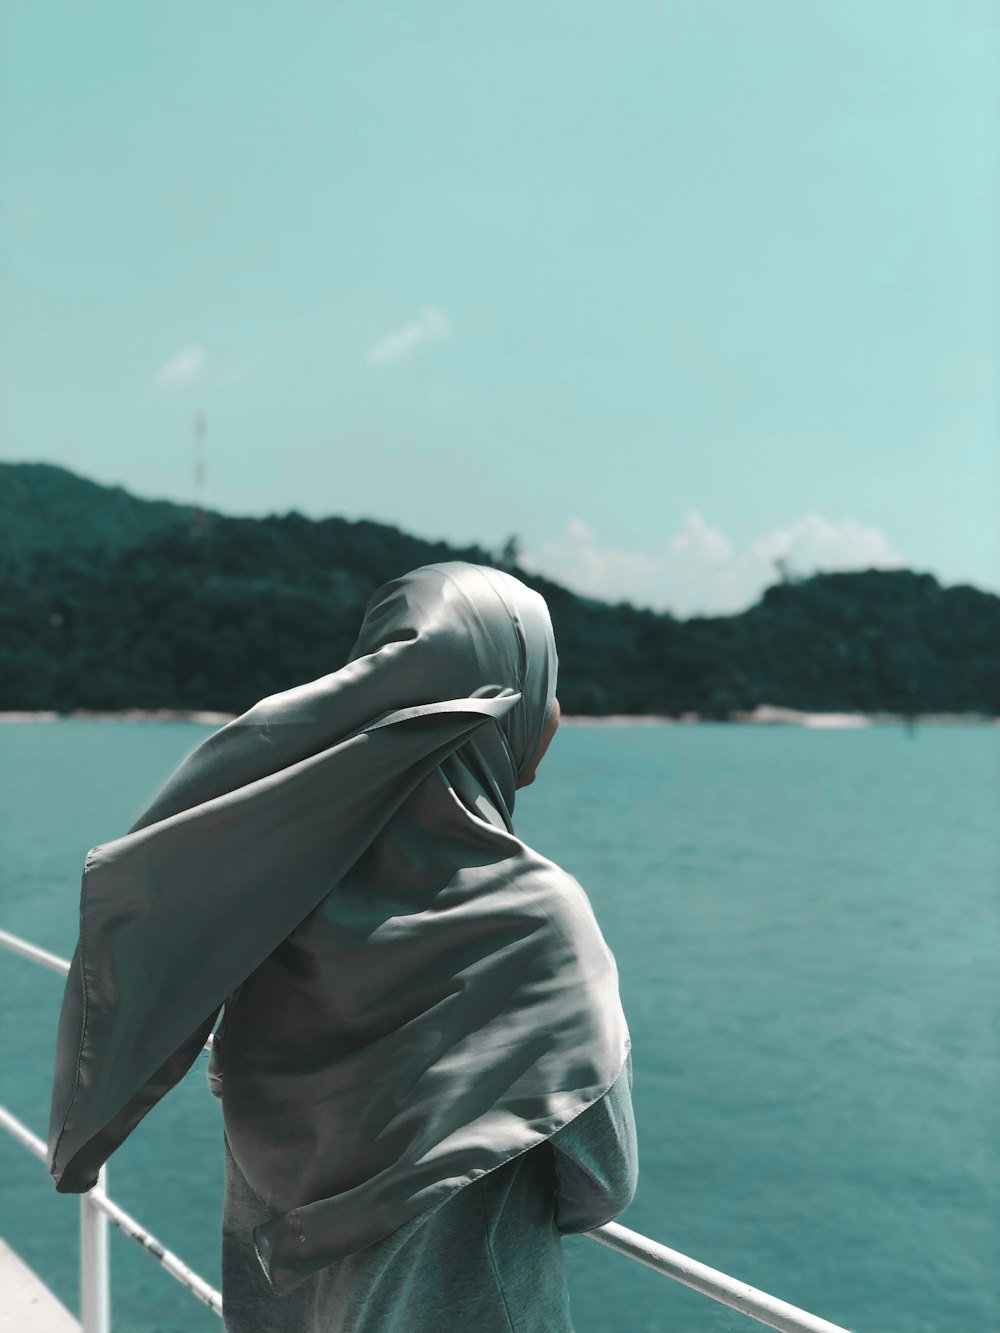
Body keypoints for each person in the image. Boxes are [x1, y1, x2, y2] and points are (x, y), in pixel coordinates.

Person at [48, 561, 638, 1332]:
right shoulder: (540, 920)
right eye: (543, 689)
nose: (554, 714)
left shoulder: (274, 904)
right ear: (513, 712)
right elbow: (604, 1180)